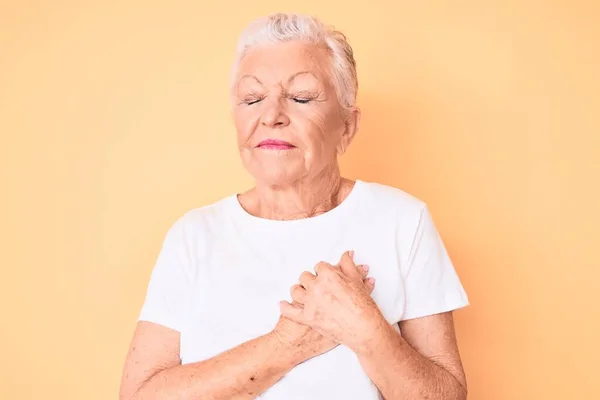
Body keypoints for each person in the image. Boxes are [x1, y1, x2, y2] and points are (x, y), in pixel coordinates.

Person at [119, 12, 469, 400]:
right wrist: (287, 345)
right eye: (252, 99)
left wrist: (365, 327)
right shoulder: (194, 234)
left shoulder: (404, 221)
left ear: (347, 127)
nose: (271, 116)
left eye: (301, 97)